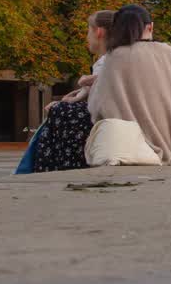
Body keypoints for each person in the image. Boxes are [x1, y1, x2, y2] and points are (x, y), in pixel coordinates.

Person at [88, 4, 171, 164]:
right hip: (169, 150)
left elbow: (96, 108)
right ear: (150, 27)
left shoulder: (112, 59)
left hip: (126, 150)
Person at [29, 10, 114, 173]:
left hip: (106, 117)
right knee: (60, 109)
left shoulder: (110, 60)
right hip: (104, 114)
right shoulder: (105, 60)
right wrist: (75, 96)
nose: (87, 37)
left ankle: (53, 167)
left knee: (60, 113)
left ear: (99, 32)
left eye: (88, 30)